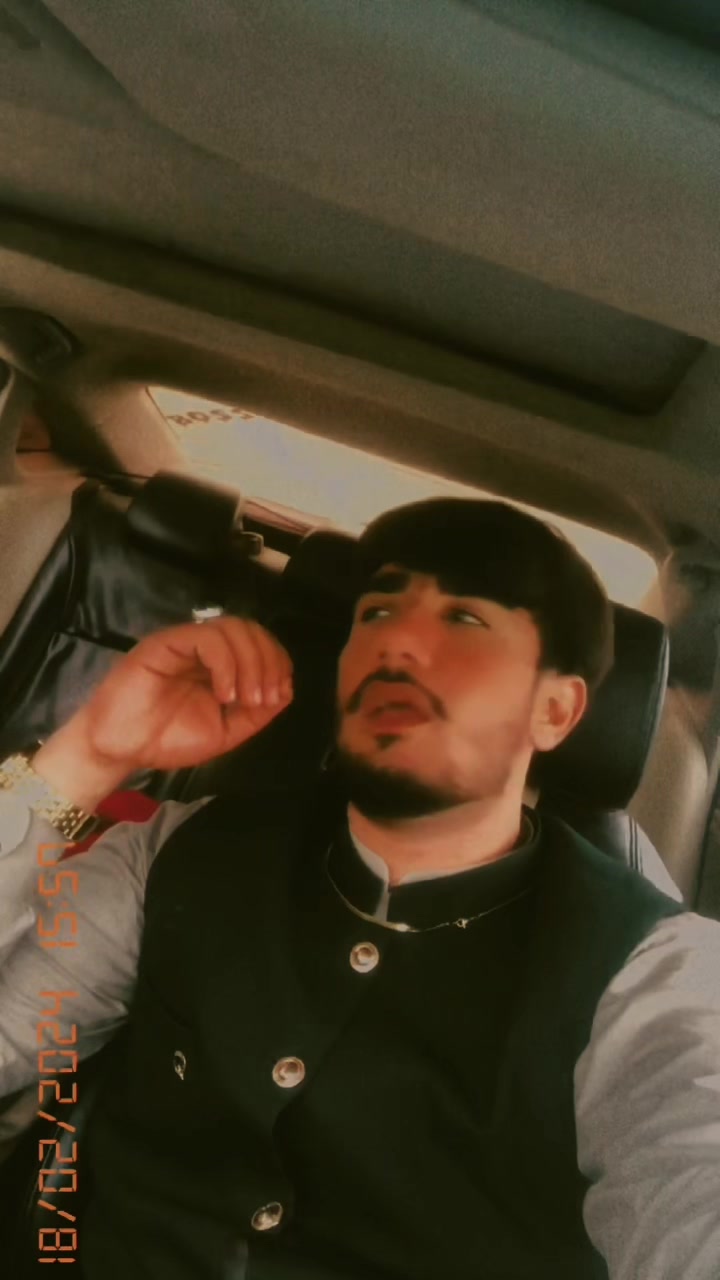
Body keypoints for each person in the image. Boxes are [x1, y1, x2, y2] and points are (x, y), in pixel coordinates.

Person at [0, 497, 718, 1280]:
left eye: (467, 619)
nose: (396, 640)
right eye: (376, 611)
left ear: (555, 710)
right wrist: (90, 754)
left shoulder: (650, 973)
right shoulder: (179, 848)